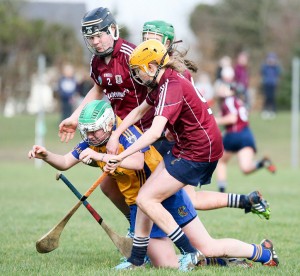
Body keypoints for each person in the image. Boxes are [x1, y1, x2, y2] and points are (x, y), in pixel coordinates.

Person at [57, 10, 271, 226]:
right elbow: (101, 91)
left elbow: (172, 101)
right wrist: (75, 118)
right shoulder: (107, 61)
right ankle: (140, 229)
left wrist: (168, 127)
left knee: (178, 199)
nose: (148, 44)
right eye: (145, 38)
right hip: (129, 135)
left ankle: (201, 243)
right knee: (114, 187)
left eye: (154, 40)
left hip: (153, 136)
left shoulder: (140, 60)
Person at [104, 39, 279, 270]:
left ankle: (187, 253)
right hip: (186, 148)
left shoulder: (171, 85)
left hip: (199, 152)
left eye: (138, 70)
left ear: (151, 67)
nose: (137, 75)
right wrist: (116, 135)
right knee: (148, 199)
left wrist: (121, 155)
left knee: (146, 198)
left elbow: (155, 131)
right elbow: (138, 112)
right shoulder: (160, 84)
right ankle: (262, 253)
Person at [28, 100, 253, 270]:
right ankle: (218, 262)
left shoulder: (124, 133)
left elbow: (137, 162)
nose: (88, 135)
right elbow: (66, 162)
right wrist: (46, 155)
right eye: (85, 131)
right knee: (167, 265)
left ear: (107, 124)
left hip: (164, 195)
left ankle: (253, 252)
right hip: (139, 206)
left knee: (204, 244)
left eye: (93, 130)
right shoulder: (93, 141)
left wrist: (99, 158)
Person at [214, 68, 277, 193]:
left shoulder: (229, 101)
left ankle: (221, 192)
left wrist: (216, 120)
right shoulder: (238, 101)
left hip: (234, 135)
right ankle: (262, 163)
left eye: (224, 88)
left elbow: (232, 118)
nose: (221, 90)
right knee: (246, 169)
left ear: (230, 91)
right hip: (246, 134)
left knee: (220, 162)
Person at [260, 52, 281, 119]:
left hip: (273, 84)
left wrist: (275, 65)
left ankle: (273, 111)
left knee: (272, 98)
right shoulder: (265, 67)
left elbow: (279, 72)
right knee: (267, 97)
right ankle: (265, 111)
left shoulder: (276, 67)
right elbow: (262, 71)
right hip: (266, 84)